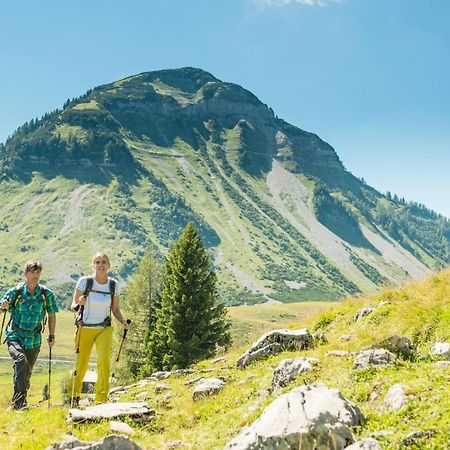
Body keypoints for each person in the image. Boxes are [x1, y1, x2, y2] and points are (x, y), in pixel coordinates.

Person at [70, 251, 130, 405]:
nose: (101, 265)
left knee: (104, 361)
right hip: (85, 327)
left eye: (104, 262)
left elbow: (115, 309)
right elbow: (73, 306)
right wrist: (79, 304)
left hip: (104, 328)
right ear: (93, 265)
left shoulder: (113, 285)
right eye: (97, 262)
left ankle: (101, 399)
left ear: (108, 265)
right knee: (81, 363)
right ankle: (74, 397)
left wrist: (123, 321)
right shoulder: (85, 282)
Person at [0, 260, 58, 410]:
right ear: (25, 274)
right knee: (20, 360)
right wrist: (3, 307)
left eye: (38, 272)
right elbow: (2, 307)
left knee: (26, 373)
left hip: (34, 338)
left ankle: (16, 402)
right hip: (15, 334)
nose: (35, 275)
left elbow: (52, 315)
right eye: (32, 272)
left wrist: (52, 335)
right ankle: (20, 404)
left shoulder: (46, 294)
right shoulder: (16, 292)